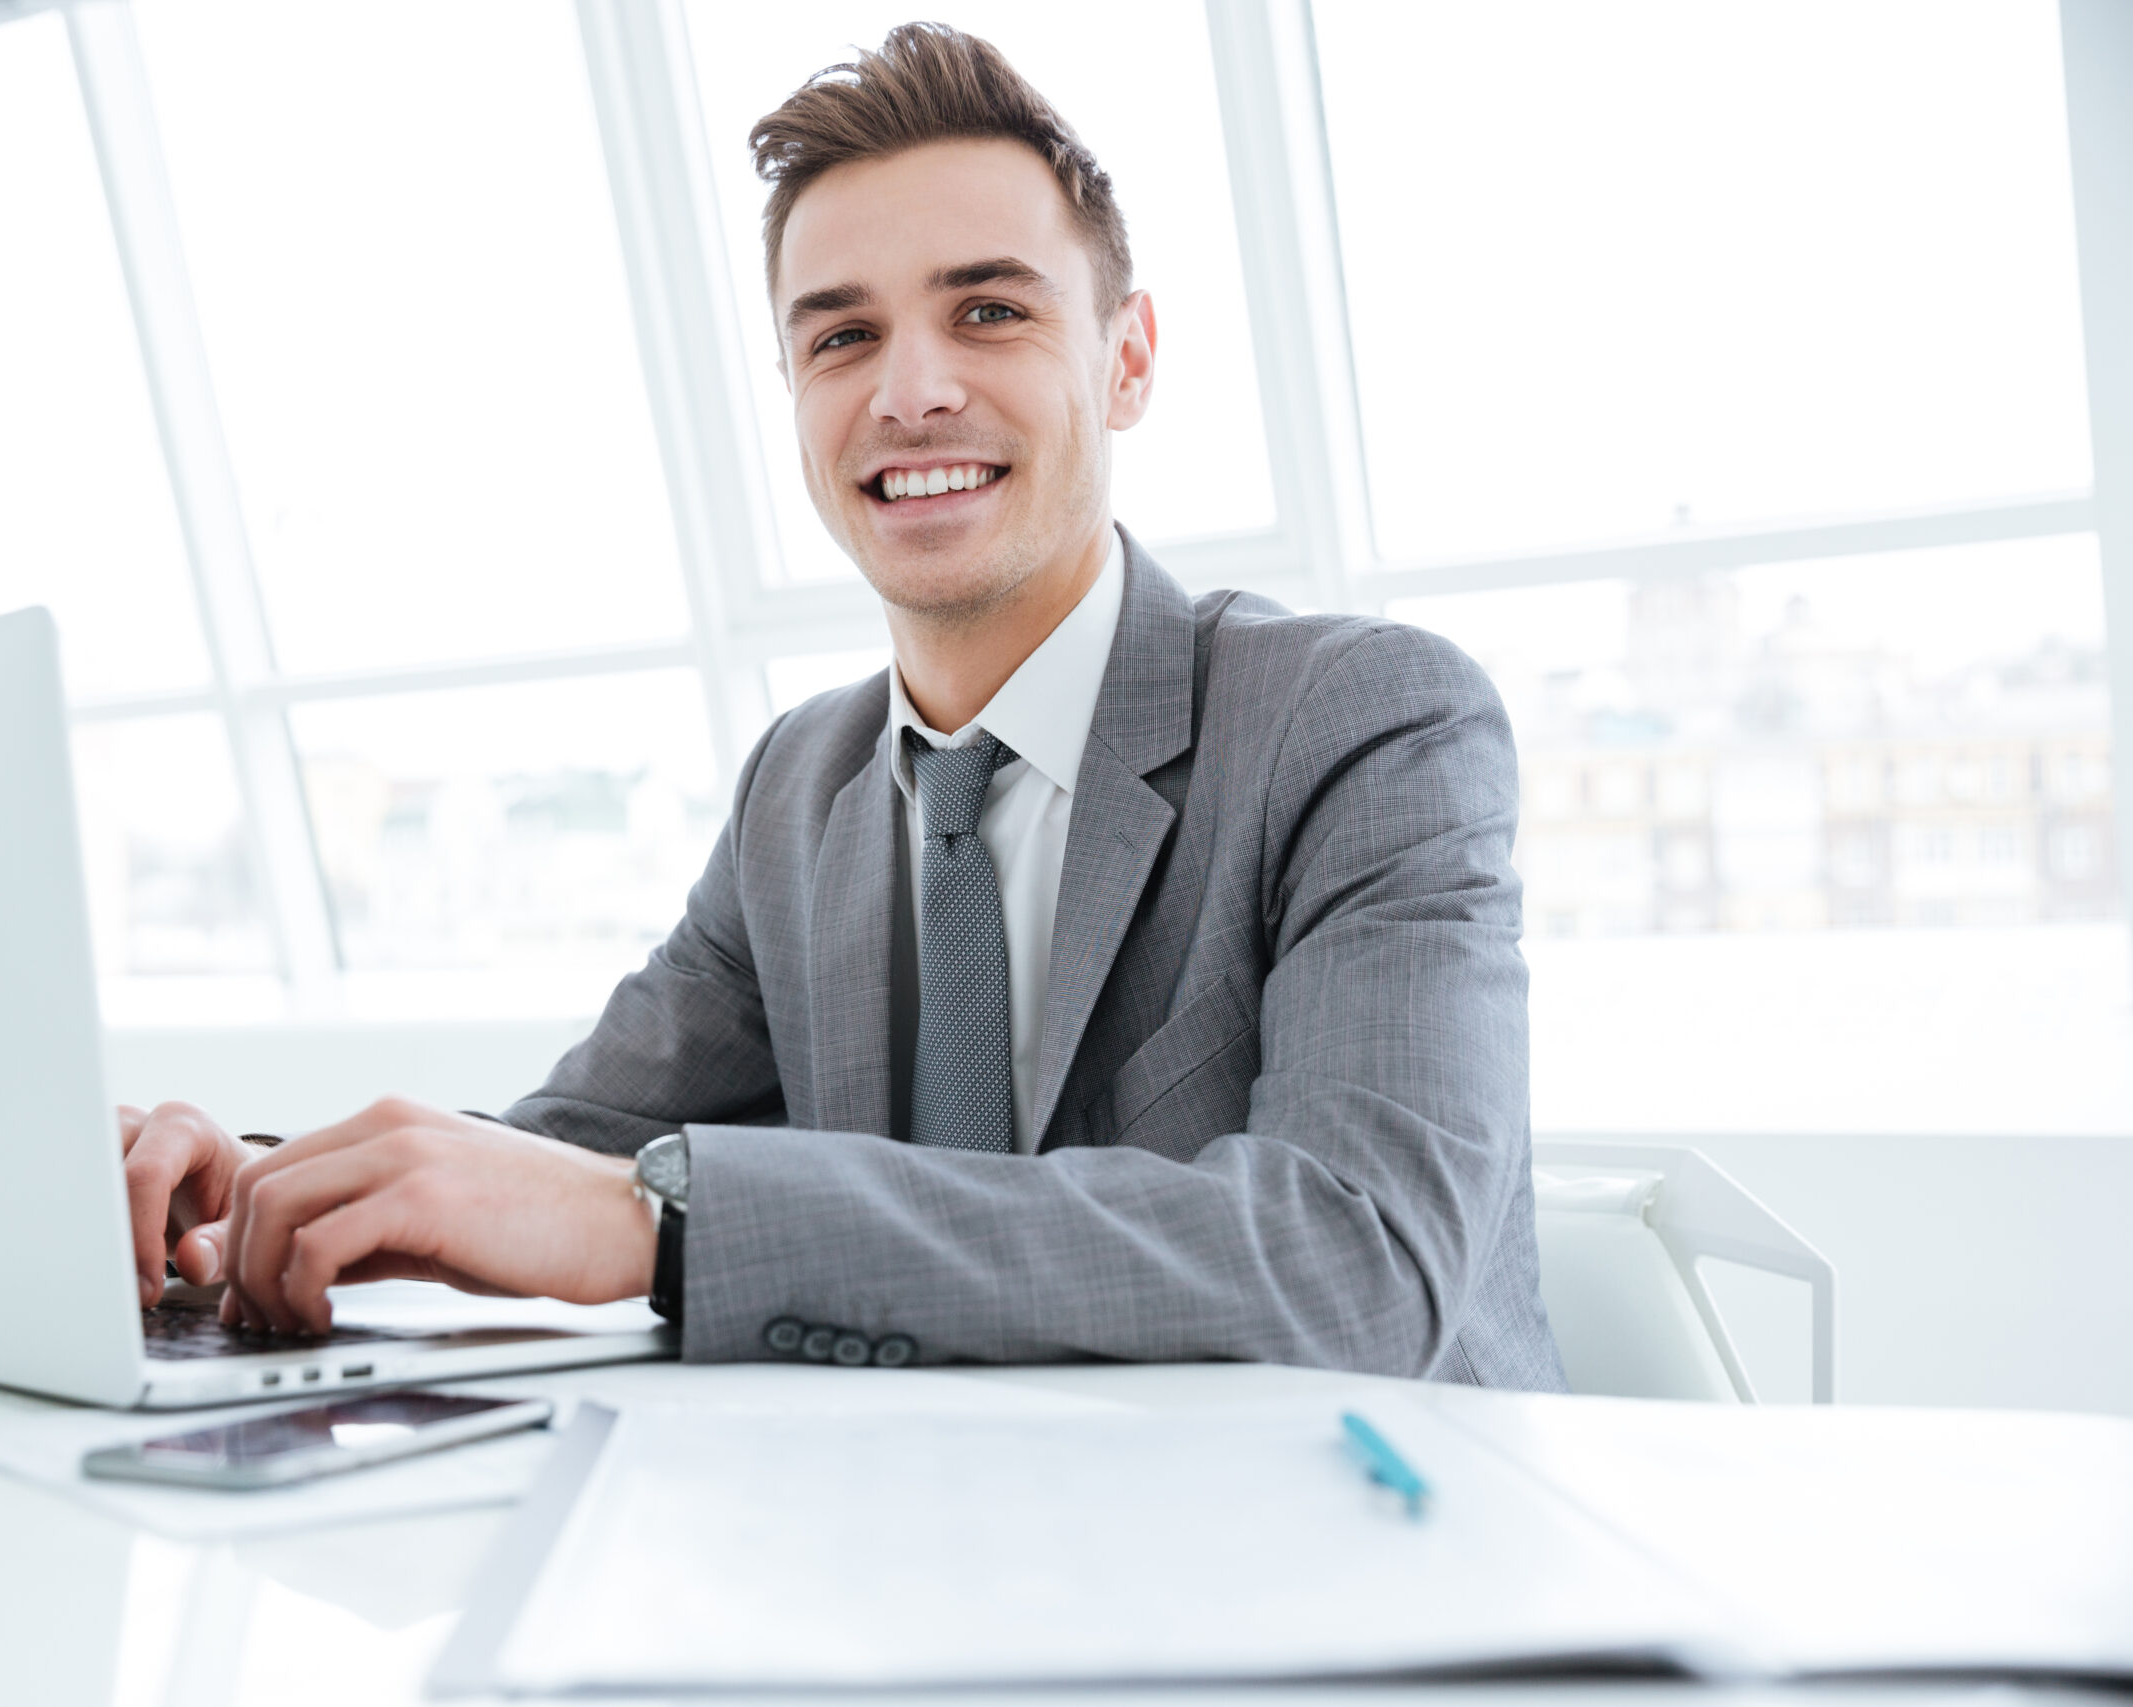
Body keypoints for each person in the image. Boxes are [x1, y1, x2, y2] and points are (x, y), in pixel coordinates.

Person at [119, 22, 1565, 1389]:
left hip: (1375, 1576)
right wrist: (233, 1194)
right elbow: (549, 1166)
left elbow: (1360, 1264)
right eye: (841, 337)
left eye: (988, 311)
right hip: (944, 1563)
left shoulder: (1364, 723)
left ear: (1126, 360)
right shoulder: (799, 792)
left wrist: (668, 1225)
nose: (910, 391)